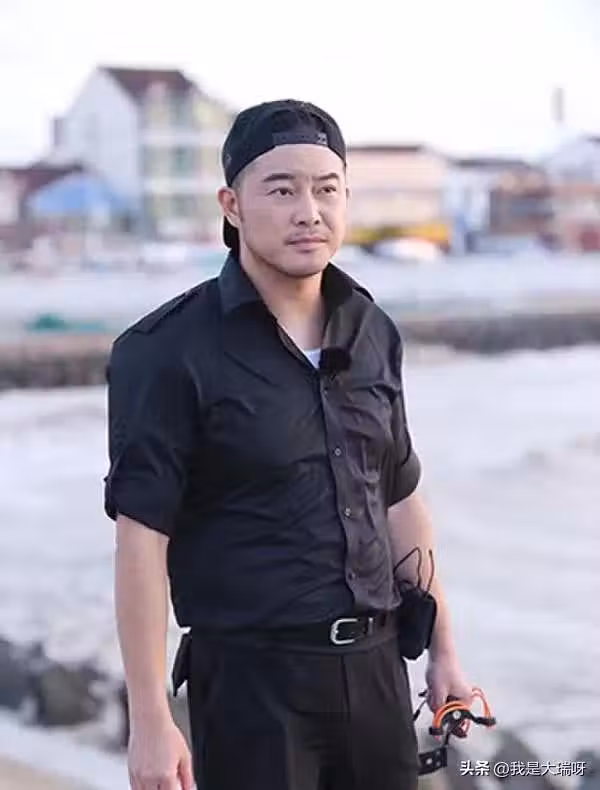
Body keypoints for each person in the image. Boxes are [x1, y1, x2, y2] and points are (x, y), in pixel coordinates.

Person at [104, 99, 473, 790]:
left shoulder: (372, 331)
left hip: (377, 672)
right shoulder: (163, 351)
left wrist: (444, 651)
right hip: (251, 686)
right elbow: (141, 541)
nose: (309, 211)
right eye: (282, 190)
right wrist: (150, 717)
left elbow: (399, 500)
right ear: (232, 205)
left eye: (327, 189)